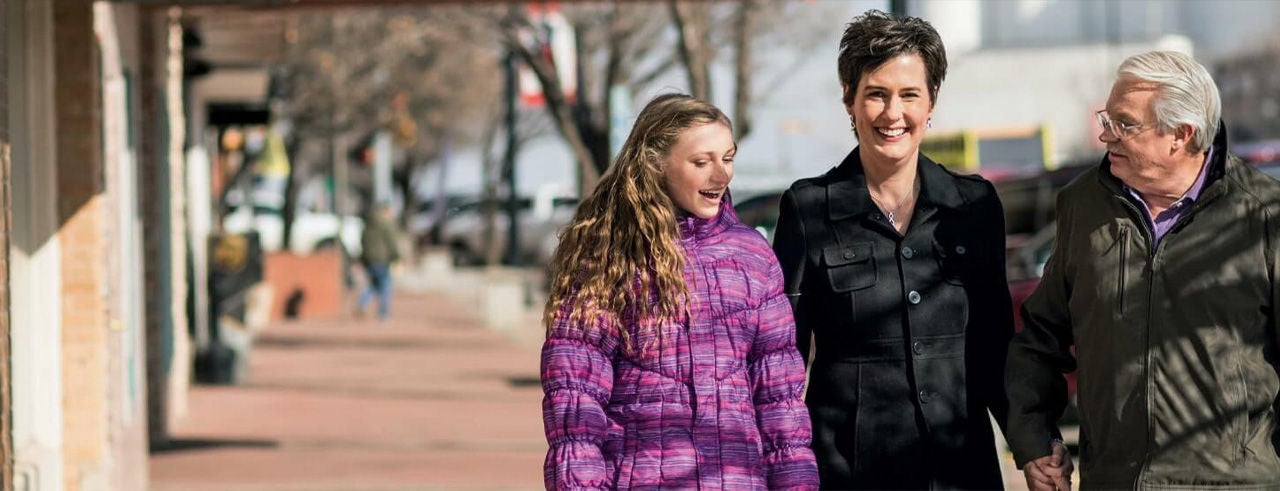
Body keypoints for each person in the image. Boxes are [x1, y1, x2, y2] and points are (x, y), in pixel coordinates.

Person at [1006, 50, 1280, 490]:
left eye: (1125, 124)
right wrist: (1034, 440)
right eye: (1107, 118)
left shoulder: (1264, 216)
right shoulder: (1083, 205)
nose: (1105, 135)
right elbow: (1040, 338)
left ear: (1181, 134)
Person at [772, 10, 1014, 489]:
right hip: (850, 469)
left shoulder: (974, 205)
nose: (892, 113)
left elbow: (995, 348)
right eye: (876, 94)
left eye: (909, 95)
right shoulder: (809, 209)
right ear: (849, 100)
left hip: (961, 467)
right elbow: (782, 358)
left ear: (931, 103)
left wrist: (1033, 445)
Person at [540, 93, 818, 490]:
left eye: (728, 158)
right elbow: (575, 401)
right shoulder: (606, 255)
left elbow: (780, 403)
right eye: (701, 162)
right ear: (656, 164)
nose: (720, 176)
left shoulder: (753, 256)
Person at [357, 202, 400, 320]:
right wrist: (396, 256)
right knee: (385, 285)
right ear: (386, 211)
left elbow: (362, 240)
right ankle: (383, 312)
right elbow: (391, 242)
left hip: (369, 259)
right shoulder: (386, 224)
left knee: (375, 284)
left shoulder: (368, 223)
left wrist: (363, 258)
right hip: (382, 259)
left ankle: (362, 303)